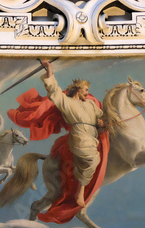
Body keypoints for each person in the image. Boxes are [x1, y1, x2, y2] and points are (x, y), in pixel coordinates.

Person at [40, 59, 105, 207]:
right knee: (94, 159)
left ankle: (80, 188)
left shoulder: (90, 104)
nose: (88, 93)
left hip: (92, 137)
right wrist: (49, 69)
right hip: (79, 137)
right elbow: (53, 89)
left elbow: (101, 117)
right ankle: (80, 191)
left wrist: (102, 122)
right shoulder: (67, 102)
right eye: (86, 90)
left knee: (96, 159)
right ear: (78, 89)